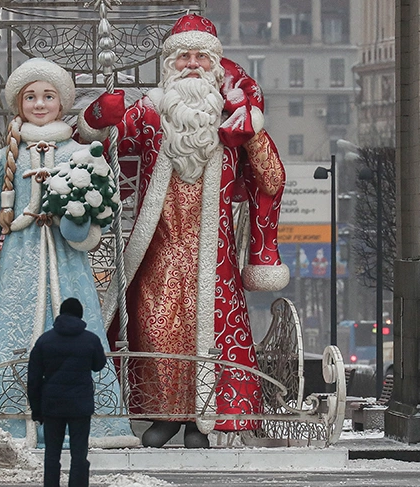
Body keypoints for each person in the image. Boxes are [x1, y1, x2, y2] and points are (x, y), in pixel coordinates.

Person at [78, 13, 290, 448]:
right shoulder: (152, 111)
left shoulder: (234, 120)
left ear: (214, 64)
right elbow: (98, 145)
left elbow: (271, 178)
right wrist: (100, 115)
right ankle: (163, 414)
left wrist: (253, 135)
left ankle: (205, 418)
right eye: (183, 57)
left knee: (211, 328)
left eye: (200, 57)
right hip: (157, 245)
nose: (192, 64)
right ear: (169, 64)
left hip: (214, 252)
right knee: (154, 329)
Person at [0, 58, 130, 445]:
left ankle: (85, 424)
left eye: (48, 96)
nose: (39, 104)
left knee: (75, 335)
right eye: (31, 97)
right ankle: (10, 423)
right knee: (14, 338)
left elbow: (97, 218)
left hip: (68, 262)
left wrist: (79, 222)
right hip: (19, 261)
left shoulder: (80, 155)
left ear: (62, 102)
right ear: (19, 104)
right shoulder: (0, 159)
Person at [27, 298, 103, 487]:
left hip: (52, 405)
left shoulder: (45, 340)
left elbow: (33, 378)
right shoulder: (90, 340)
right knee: (79, 455)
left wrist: (36, 409)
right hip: (80, 405)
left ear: (61, 314)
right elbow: (99, 365)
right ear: (80, 315)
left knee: (52, 455)